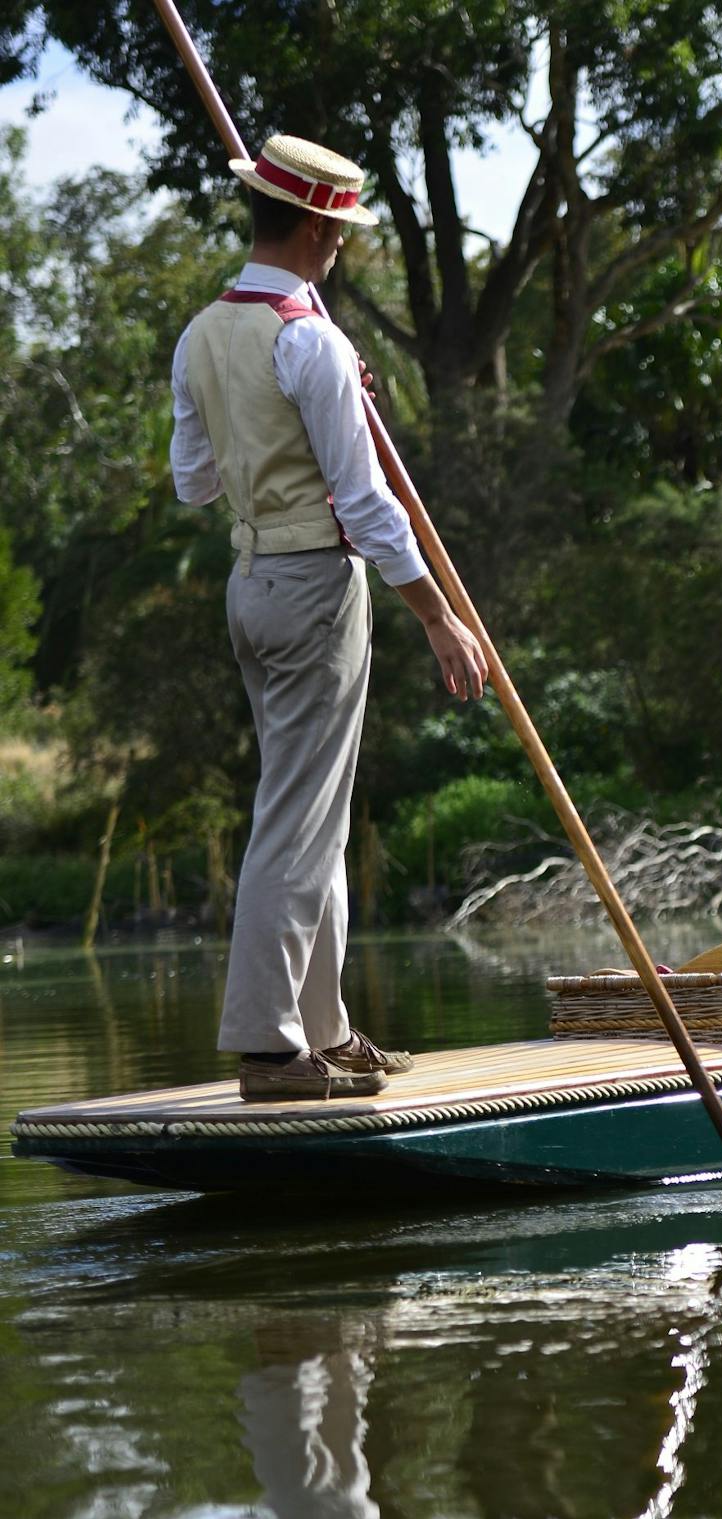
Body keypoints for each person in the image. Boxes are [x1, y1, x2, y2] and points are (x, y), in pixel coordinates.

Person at [170, 135, 488, 1101]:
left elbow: (194, 484)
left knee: (316, 814)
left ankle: (326, 1029)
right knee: (297, 819)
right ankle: (270, 1049)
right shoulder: (311, 342)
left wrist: (283, 430)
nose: (343, 246)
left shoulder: (202, 335)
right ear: (315, 228)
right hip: (313, 588)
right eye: (341, 232)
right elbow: (368, 506)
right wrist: (437, 615)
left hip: (249, 586)